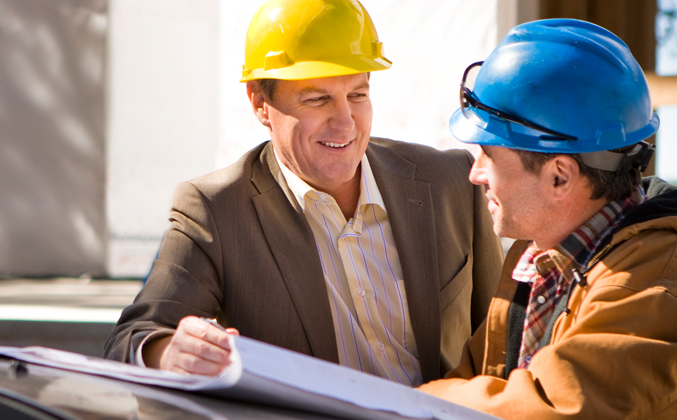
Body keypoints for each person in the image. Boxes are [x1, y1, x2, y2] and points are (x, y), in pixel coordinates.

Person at [103, 0, 504, 386]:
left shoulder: (450, 183)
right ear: (260, 103)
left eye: (357, 95)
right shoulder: (215, 211)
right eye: (317, 100)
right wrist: (167, 352)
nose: (345, 123)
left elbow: (504, 340)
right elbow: (130, 339)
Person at [416, 19, 677, 418]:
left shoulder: (669, 278)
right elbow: (478, 380)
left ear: (559, 176)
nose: (475, 174)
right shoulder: (535, 258)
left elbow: (558, 408)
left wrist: (413, 403)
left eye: (488, 155)